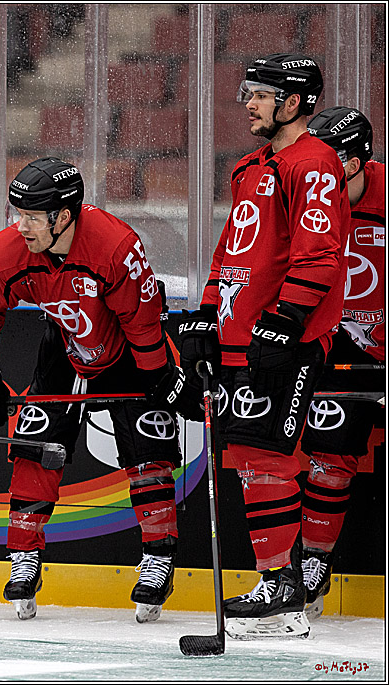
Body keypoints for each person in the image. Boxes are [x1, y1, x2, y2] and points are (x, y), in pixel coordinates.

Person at [0, 157, 201, 623]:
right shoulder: (7, 250)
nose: (19, 225)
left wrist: (159, 375)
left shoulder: (115, 246)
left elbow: (143, 321)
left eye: (30, 216)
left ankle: (158, 557)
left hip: (129, 347)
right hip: (63, 344)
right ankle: (24, 556)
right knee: (36, 443)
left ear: (62, 216)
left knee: (147, 449)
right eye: (16, 213)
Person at [178, 54, 349, 639]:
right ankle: (275, 583)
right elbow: (232, 249)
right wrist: (206, 313)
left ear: (294, 101)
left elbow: (321, 253)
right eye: (247, 91)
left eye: (260, 93)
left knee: (272, 457)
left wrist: (289, 317)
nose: (248, 103)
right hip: (239, 336)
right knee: (250, 460)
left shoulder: (316, 161)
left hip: (286, 338)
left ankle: (285, 596)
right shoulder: (251, 166)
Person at [298, 106, 384, 620]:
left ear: (354, 163)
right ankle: (314, 561)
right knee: (328, 454)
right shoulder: (308, 196)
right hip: (343, 344)